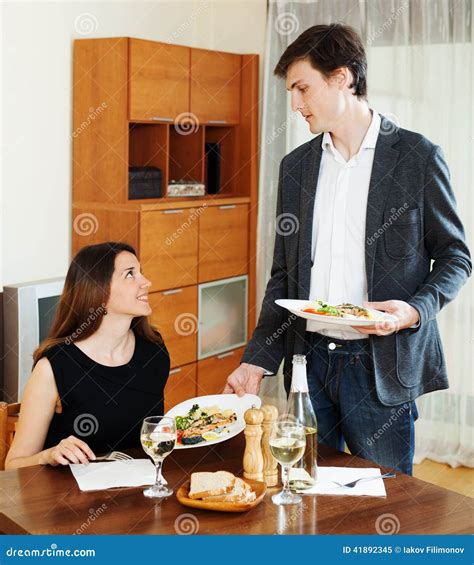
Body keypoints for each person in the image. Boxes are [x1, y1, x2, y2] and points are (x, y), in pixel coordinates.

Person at [224, 24, 471, 475]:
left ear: (341, 78)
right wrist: (255, 362)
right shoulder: (296, 168)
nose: (295, 104)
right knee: (303, 496)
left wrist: (412, 311)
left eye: (303, 88)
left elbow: (456, 258)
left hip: (379, 367)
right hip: (309, 362)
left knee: (385, 502)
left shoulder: (418, 157)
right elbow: (284, 277)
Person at [5, 242, 169, 469]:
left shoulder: (154, 350)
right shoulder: (54, 367)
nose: (146, 282)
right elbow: (14, 465)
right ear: (99, 290)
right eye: (130, 274)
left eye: (141, 272)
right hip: (70, 499)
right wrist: (48, 455)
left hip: (137, 493)